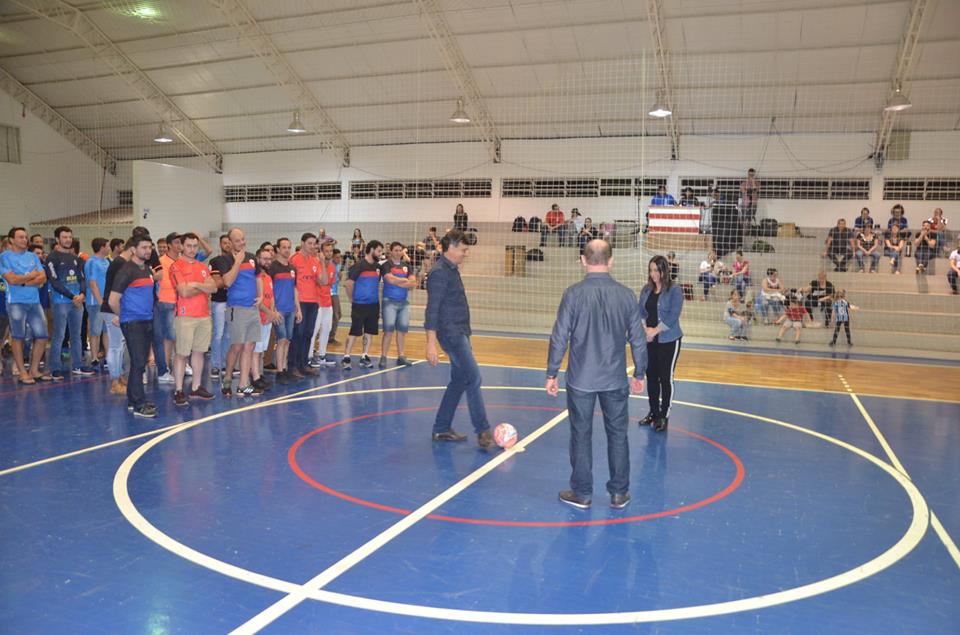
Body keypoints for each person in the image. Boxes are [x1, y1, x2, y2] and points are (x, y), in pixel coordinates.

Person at [546, 239, 646, 510]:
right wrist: (639, 372)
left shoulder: (572, 294)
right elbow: (638, 338)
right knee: (618, 435)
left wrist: (552, 373)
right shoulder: (626, 295)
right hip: (614, 379)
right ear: (611, 261)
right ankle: (618, 493)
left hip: (581, 380)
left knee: (580, 434)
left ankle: (582, 493)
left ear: (583, 260)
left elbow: (559, 336)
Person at [425, 229, 495, 449]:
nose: (466, 253)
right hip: (451, 334)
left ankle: (441, 428)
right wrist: (431, 343)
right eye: (463, 249)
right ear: (452, 247)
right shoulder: (439, 273)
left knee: (459, 380)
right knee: (473, 378)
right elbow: (432, 310)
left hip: (460, 331)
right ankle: (483, 431)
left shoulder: (452, 270)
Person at [108, 235, 157, 417]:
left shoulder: (147, 270)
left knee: (140, 361)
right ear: (134, 249)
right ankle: (138, 404)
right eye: (143, 247)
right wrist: (124, 316)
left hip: (146, 320)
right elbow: (113, 300)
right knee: (138, 362)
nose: (148, 250)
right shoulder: (126, 270)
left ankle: (132, 399)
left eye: (149, 247)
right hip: (133, 322)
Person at [168, 232, 217, 406]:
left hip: (203, 315)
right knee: (181, 354)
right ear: (181, 246)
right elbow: (184, 292)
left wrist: (197, 285)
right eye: (188, 246)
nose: (192, 249)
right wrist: (204, 288)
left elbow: (214, 288)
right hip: (185, 316)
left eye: (195, 246)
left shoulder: (202, 267)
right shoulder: (176, 267)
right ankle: (179, 390)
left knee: (199, 352)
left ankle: (196, 387)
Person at [637, 254, 684, 432]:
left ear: (664, 270)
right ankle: (653, 412)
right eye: (651, 270)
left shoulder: (674, 290)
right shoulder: (646, 289)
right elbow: (640, 311)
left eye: (656, 270)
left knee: (665, 377)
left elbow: (673, 316)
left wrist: (654, 331)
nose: (653, 273)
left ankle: (664, 416)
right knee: (652, 377)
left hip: (669, 339)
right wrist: (645, 331)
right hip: (650, 340)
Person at [1, 227, 52, 384]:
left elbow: (42, 277)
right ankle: (23, 372)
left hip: (34, 302)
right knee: (18, 337)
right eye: (21, 237)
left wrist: (23, 280)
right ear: (12, 240)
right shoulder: (5, 257)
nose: (25, 240)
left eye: (25, 237)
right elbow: (11, 280)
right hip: (16, 302)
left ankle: (34, 369)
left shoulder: (32, 256)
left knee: (42, 335)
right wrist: (30, 276)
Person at [46, 226, 93, 378]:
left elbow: (82, 279)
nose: (68, 240)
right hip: (61, 302)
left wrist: (82, 294)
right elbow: (54, 281)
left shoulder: (76, 259)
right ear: (58, 239)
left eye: (70, 237)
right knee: (59, 335)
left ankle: (78, 365)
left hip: (77, 302)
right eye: (64, 237)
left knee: (77, 335)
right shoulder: (52, 258)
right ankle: (55, 368)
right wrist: (73, 296)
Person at [222, 228, 262, 397]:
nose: (242, 243)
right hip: (236, 309)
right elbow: (227, 282)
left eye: (243, 239)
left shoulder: (252, 257)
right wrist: (237, 262)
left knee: (250, 345)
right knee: (237, 346)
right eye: (237, 240)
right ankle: (228, 377)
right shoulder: (225, 260)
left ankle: (243, 384)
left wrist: (260, 295)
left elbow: (258, 276)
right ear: (230, 243)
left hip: (252, 308)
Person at [342, 240, 383, 370]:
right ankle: (346, 356)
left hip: (373, 305)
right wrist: (352, 300)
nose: (380, 254)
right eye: (379, 251)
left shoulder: (378, 267)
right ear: (371, 250)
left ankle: (364, 356)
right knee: (354, 331)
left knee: (369, 331)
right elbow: (348, 284)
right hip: (360, 305)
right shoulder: (359, 266)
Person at [289, 232, 324, 378]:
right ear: (302, 243)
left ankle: (303, 363)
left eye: (314, 244)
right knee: (298, 334)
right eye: (309, 243)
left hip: (313, 302)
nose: (312, 246)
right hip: (300, 301)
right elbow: (292, 284)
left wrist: (322, 262)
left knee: (309, 333)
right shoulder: (294, 260)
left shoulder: (315, 260)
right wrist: (296, 306)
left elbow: (322, 281)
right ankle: (292, 365)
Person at [101, 239, 133, 394]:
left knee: (119, 345)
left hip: (116, 308)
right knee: (115, 346)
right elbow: (119, 290)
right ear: (133, 249)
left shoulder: (120, 263)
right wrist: (118, 312)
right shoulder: (121, 263)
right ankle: (114, 381)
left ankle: (118, 377)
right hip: (113, 308)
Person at [379, 241, 416, 369]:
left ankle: (401, 356)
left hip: (404, 303)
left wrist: (400, 281)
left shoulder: (407, 266)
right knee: (388, 331)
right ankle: (383, 356)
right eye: (396, 250)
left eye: (400, 250)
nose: (398, 252)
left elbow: (413, 283)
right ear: (390, 251)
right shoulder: (386, 265)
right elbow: (390, 279)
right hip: (389, 301)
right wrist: (405, 280)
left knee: (402, 331)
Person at [269, 237, 300, 384]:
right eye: (284, 247)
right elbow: (269, 290)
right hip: (279, 310)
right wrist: (273, 309)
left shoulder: (292, 268)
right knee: (281, 340)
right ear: (278, 249)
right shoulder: (272, 267)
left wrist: (298, 309)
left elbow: (295, 289)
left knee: (287, 340)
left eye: (289, 247)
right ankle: (279, 371)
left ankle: (285, 368)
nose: (287, 250)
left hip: (290, 309)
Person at [154, 232, 182, 383]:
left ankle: (181, 365)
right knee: (169, 337)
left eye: (180, 243)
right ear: (170, 245)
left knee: (177, 336)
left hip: (181, 303)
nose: (180, 246)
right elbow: (162, 282)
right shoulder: (161, 261)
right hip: (166, 302)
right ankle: (165, 369)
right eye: (177, 242)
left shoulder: (182, 261)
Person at [252, 246, 279, 392]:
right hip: (259, 318)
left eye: (269, 259)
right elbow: (258, 300)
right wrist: (269, 313)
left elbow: (271, 297)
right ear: (257, 259)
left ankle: (259, 374)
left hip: (268, 318)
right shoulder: (256, 278)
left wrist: (273, 312)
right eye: (265, 259)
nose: (268, 262)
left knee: (261, 350)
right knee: (255, 350)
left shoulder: (268, 277)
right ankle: (255, 377)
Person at [207, 234, 233, 380]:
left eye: (229, 242)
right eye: (225, 243)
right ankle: (215, 366)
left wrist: (227, 280)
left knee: (228, 335)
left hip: (233, 302)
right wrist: (229, 281)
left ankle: (225, 365)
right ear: (220, 244)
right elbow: (217, 283)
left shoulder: (236, 261)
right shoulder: (215, 261)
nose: (227, 245)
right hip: (219, 301)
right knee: (218, 334)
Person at [84, 238, 110, 373]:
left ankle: (107, 357)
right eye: (107, 246)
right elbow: (92, 284)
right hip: (96, 303)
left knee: (106, 330)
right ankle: (94, 358)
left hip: (106, 302)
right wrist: (100, 301)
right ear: (101, 247)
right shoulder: (91, 262)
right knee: (95, 331)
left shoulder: (107, 261)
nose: (109, 248)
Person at [309, 239, 336, 367]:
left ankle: (322, 355)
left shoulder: (332, 266)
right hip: (317, 301)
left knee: (327, 329)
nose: (329, 253)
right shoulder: (316, 264)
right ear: (321, 252)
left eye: (331, 251)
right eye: (326, 251)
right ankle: (309, 356)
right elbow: (322, 282)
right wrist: (322, 263)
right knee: (314, 330)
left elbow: (330, 283)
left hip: (327, 302)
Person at [328, 248, 343, 344]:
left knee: (338, 315)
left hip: (335, 292)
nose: (339, 259)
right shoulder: (330, 265)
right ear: (332, 257)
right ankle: (330, 337)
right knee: (336, 316)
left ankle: (328, 335)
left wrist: (340, 276)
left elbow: (338, 280)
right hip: (330, 293)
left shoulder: (338, 265)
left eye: (340, 257)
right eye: (337, 257)